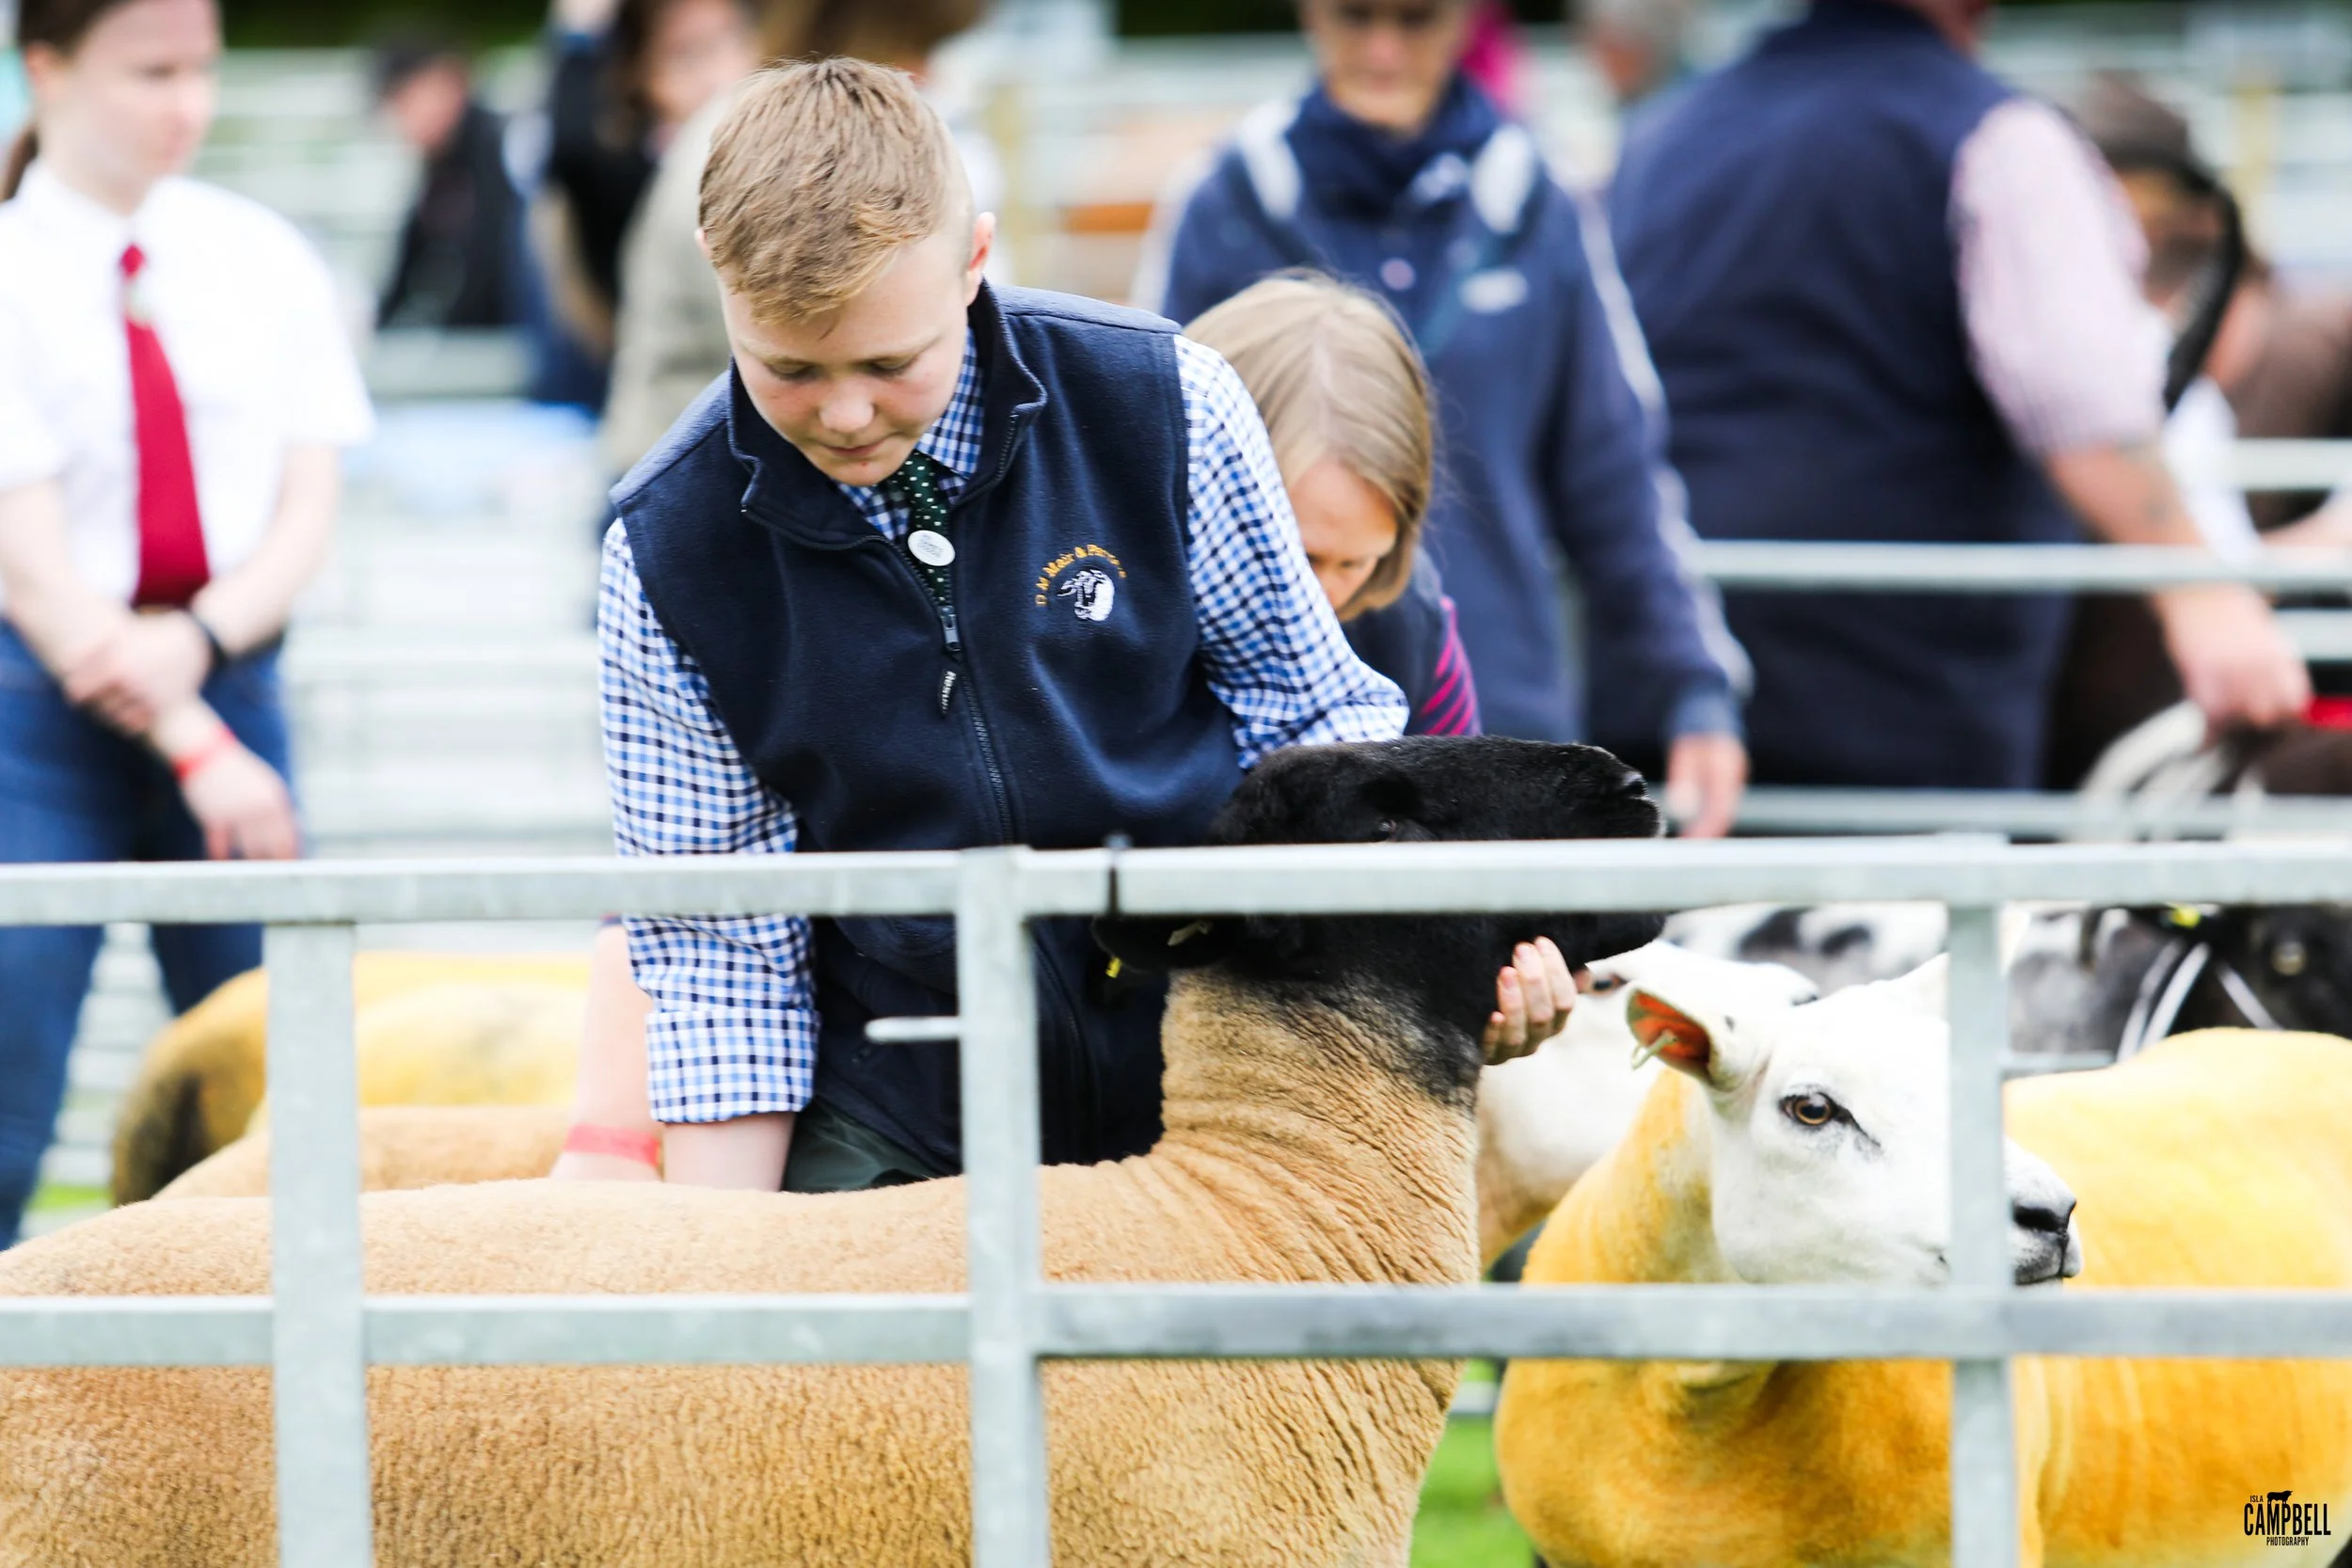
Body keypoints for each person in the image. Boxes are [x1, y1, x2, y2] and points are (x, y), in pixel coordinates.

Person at [561, 60, 1584, 1189]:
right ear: (715, 269)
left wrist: (1440, 970)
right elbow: (721, 949)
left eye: (891, 363)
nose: (846, 412)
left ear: (974, 260)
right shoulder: (668, 551)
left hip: (1206, 1058)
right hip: (901, 1101)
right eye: (789, 368)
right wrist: (731, 1261)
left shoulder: (1167, 403)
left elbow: (1313, 733)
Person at [1607, 0, 2308, 792]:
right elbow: (2079, 402)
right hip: (1899, 721)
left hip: (1660, 700)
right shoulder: (1996, 139)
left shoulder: (1660, 139)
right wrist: (2205, 597)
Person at [1140, 0, 1749, 838]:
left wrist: (1690, 681)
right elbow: (1147, 461)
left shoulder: (1537, 200)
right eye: (1356, 17)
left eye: (1417, 19)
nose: (1384, 49)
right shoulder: (1226, 197)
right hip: (1262, 746)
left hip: (1500, 717)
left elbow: (1612, 469)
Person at [0, 0, 372, 1244]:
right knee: (10, 1069)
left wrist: (205, 646)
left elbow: (305, 503)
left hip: (231, 667)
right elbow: (30, 562)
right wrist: (194, 735)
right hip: (36, 703)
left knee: (271, 1074)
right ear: (47, 66)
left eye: (200, 70)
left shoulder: (257, 254)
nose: (186, 104)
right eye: (149, 72)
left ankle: (253, 1343)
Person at [599, 0, 989, 477]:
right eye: (914, 50)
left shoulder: (894, 145)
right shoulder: (750, 160)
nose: (929, 75)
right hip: (706, 472)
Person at [1184, 272, 1477, 736]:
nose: (1320, 603)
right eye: (1302, 558)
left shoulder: (1408, 634)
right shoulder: (1111, 618)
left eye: (1355, 563)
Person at [533, 0, 757, 404]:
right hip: (670, 418)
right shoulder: (637, 172)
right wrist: (578, 38)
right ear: (643, 74)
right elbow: (572, 150)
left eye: (728, 42)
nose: (716, 74)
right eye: (685, 55)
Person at [372, 35, 530, 331]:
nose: (404, 119)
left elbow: (489, 266)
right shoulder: (440, 167)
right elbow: (408, 264)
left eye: (410, 99)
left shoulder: (501, 148)